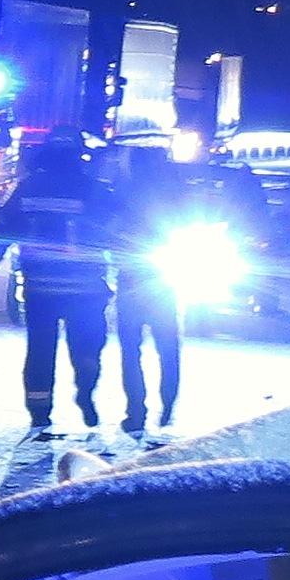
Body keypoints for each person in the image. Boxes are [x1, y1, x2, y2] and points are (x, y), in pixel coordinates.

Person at [0, 129, 113, 432]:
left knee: (40, 350)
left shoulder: (28, 187)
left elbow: (5, 225)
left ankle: (39, 412)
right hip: (85, 290)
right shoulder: (95, 190)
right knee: (88, 347)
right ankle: (86, 390)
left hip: (40, 288)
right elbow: (119, 229)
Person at [108, 148, 191, 435]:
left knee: (131, 352)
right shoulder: (174, 194)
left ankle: (136, 412)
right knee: (168, 349)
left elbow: (108, 231)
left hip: (132, 282)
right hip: (162, 284)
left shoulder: (122, 192)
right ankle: (167, 407)